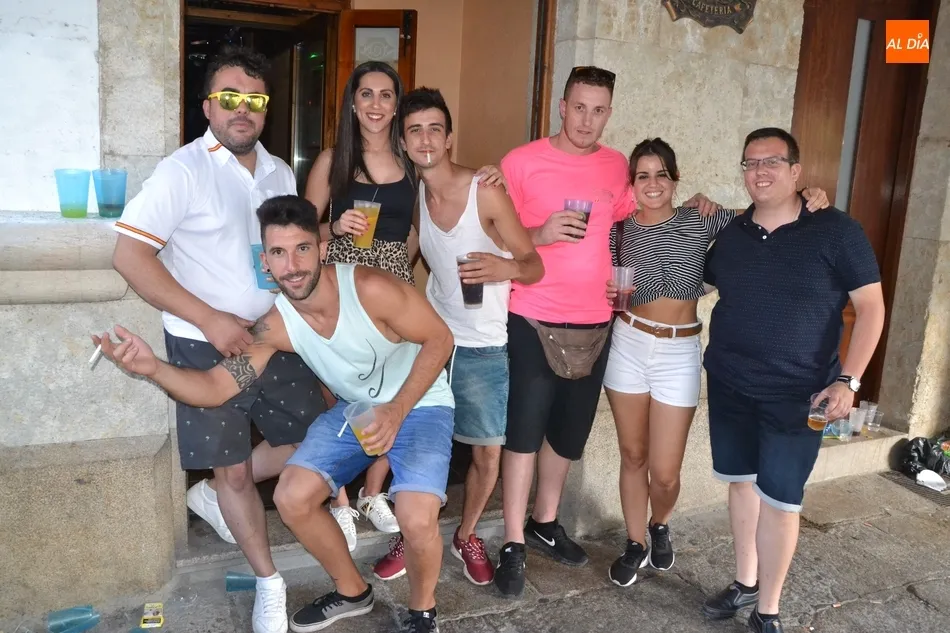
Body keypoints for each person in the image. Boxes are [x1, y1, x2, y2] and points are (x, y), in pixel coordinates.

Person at [95, 194, 457, 633]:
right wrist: (152, 367)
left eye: (302, 248)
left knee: (416, 518)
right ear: (265, 262)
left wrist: (397, 411)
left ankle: (422, 613)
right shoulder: (275, 325)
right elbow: (214, 388)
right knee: (292, 496)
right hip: (357, 410)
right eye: (279, 253)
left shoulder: (370, 289)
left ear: (321, 249)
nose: (293, 265)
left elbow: (440, 339)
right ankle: (352, 592)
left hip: (420, 404)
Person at [111, 46, 321, 633]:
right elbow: (129, 255)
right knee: (232, 471)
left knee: (316, 436)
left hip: (267, 337)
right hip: (205, 343)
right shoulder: (183, 170)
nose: (242, 109)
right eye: (229, 97)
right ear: (208, 105)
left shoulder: (280, 172)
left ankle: (212, 495)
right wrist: (209, 319)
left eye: (254, 99)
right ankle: (269, 582)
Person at [491, 65, 720, 598]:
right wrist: (538, 233)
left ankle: (545, 522)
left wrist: (695, 206)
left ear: (609, 113)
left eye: (598, 110)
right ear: (562, 106)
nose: (586, 120)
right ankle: (513, 543)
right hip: (533, 314)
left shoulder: (618, 165)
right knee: (523, 434)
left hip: (597, 322)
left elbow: (643, 210)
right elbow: (489, 233)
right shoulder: (520, 162)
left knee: (567, 435)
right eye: (578, 107)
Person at [603, 138, 829, 587]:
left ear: (675, 179)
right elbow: (600, 276)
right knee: (632, 454)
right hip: (628, 344)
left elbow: (767, 213)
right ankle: (635, 542)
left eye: (661, 174)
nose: (653, 183)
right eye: (643, 175)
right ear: (632, 183)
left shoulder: (702, 219)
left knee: (665, 473)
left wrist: (808, 195)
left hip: (678, 351)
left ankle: (659, 523)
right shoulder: (619, 231)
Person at [303, 61, 504, 548]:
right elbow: (301, 231)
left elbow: (432, 213)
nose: (376, 104)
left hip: (394, 283)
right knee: (341, 385)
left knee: (393, 384)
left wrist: (489, 174)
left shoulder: (411, 160)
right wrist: (336, 228)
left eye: (386, 95)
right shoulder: (332, 159)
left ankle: (374, 491)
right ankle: (339, 498)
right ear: (353, 104)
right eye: (366, 94)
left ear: (396, 106)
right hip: (344, 279)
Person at [700, 128, 885, 633]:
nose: (760, 172)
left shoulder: (837, 230)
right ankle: (745, 582)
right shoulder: (732, 233)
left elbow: (871, 308)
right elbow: (695, 282)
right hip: (730, 383)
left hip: (801, 394)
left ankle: (768, 609)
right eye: (750, 163)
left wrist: (849, 380)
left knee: (781, 499)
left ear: (796, 171)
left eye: (772, 162)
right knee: (740, 484)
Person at [369, 87, 544, 586]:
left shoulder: (485, 190)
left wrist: (504, 267)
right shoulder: (415, 196)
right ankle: (413, 530)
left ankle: (466, 535)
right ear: (404, 141)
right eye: (415, 130)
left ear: (449, 138)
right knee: (417, 445)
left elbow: (533, 264)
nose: (425, 139)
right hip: (434, 341)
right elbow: (406, 254)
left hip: (485, 345)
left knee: (487, 453)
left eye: (435, 129)